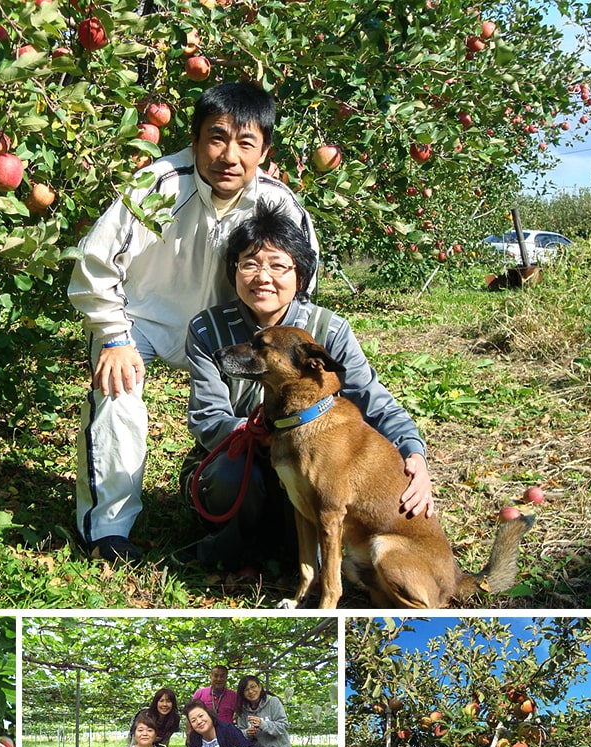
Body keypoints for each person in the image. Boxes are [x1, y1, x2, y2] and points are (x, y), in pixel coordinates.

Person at [67, 81, 318, 562]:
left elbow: (299, 280)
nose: (229, 155)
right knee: (116, 397)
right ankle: (107, 529)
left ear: (264, 150)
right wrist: (115, 338)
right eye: (217, 137)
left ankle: (228, 482)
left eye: (246, 143)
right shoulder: (158, 185)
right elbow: (95, 264)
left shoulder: (278, 204)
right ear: (195, 139)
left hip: (231, 329)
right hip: (142, 320)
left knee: (265, 406)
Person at [185, 200, 433, 575]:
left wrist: (414, 455)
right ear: (233, 271)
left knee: (315, 535)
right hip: (240, 459)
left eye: (278, 265)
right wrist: (256, 433)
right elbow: (206, 417)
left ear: (299, 275)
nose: (262, 277)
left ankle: (282, 548)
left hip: (310, 462)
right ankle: (236, 543)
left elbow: (375, 402)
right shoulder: (207, 331)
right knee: (231, 477)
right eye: (249, 264)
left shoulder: (329, 331)